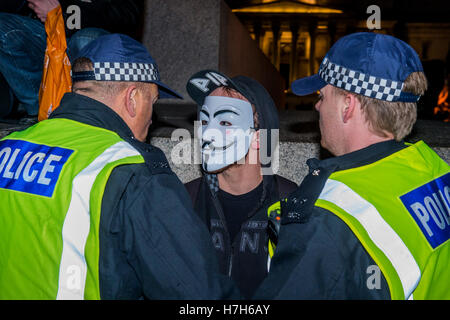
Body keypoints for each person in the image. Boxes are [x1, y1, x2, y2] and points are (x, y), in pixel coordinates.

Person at [0, 34, 239, 300]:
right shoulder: (132, 170)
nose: (152, 118)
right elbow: (197, 294)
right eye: (153, 101)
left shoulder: (9, 147)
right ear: (133, 98)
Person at [254, 32, 450, 300]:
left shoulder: (327, 218)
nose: (317, 105)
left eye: (322, 96)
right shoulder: (435, 170)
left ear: (347, 105)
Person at [185, 70, 297, 299]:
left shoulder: (291, 204)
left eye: (225, 121)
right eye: (205, 121)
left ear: (258, 137)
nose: (208, 133)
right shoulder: (184, 200)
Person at [0, 0, 143, 117]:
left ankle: (87, 115)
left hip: (94, 38)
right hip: (47, 37)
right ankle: (41, 111)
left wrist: (62, 12)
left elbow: (128, 14)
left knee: (84, 39)